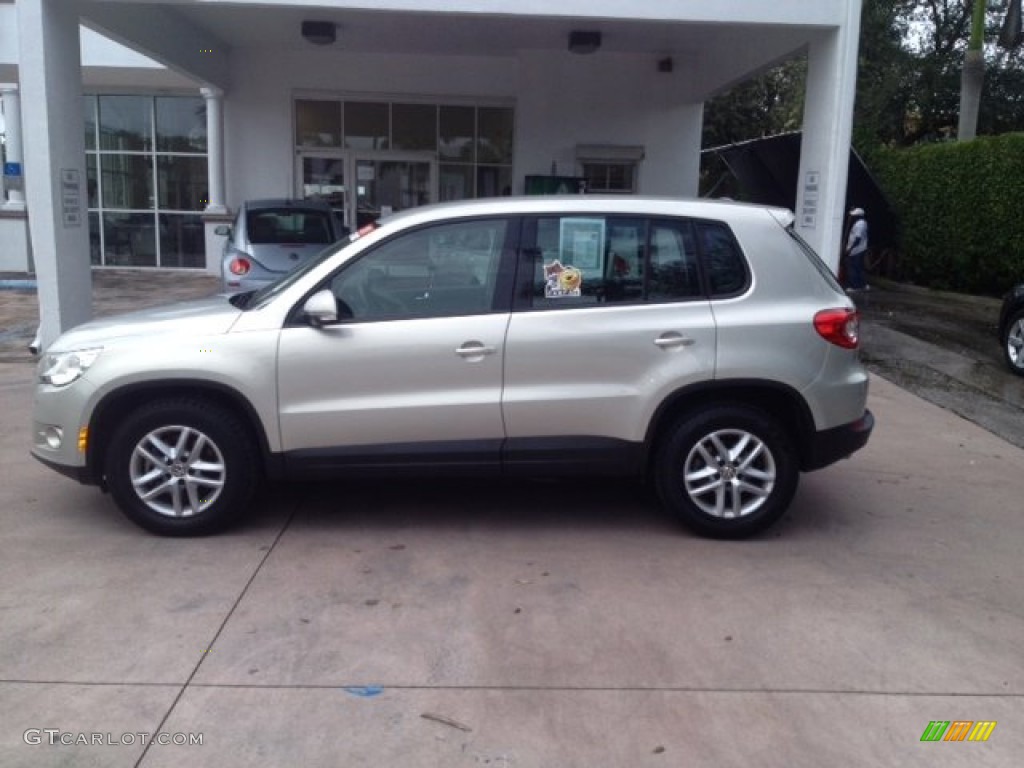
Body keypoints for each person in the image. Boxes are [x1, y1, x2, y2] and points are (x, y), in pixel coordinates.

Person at [845, 207, 869, 291]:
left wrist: (850, 249)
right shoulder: (860, 223)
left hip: (857, 250)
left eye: (854, 215)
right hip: (858, 249)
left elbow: (857, 239)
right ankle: (863, 285)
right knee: (858, 268)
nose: (852, 217)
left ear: (858, 216)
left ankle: (855, 286)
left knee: (854, 268)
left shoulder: (860, 224)